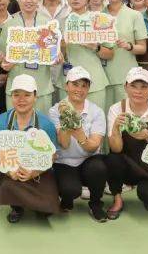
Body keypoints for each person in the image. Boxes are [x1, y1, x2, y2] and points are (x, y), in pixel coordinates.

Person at [104, 66, 148, 219]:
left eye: (143, 87)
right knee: (112, 159)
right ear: (125, 87)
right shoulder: (117, 109)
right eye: (133, 86)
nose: (138, 91)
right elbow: (116, 149)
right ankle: (117, 199)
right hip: (127, 165)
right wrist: (115, 128)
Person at [0, 75, 60, 223]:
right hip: (13, 170)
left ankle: (37, 204)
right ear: (11, 97)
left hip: (38, 171)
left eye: (27, 95)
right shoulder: (2, 120)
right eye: (16, 95)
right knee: (8, 185)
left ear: (35, 97)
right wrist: (9, 171)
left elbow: (53, 155)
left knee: (47, 208)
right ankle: (17, 207)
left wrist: (34, 172)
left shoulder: (45, 124)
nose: (21, 100)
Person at [49, 67, 108, 222]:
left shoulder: (96, 111)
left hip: (89, 159)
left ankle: (96, 204)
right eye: (75, 84)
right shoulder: (55, 111)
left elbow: (93, 146)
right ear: (66, 85)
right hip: (64, 161)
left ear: (88, 88)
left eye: (84, 86)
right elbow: (64, 144)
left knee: (99, 168)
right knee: (70, 190)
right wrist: (66, 123)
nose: (79, 90)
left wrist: (80, 134)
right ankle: (67, 200)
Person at [2, 0, 60, 122]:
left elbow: (55, 53)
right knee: (16, 127)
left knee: (42, 127)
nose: (29, 0)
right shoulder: (9, 24)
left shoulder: (48, 23)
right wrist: (5, 64)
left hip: (42, 87)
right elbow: (3, 56)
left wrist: (57, 58)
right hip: (16, 88)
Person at [62, 0, 113, 109]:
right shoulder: (60, 22)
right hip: (67, 81)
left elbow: (110, 54)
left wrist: (95, 47)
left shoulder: (99, 19)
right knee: (67, 118)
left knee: (96, 119)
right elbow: (57, 55)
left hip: (94, 82)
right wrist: (62, 45)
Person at [103, 0, 148, 112]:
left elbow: (143, 48)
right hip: (103, 77)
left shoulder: (135, 15)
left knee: (125, 116)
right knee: (105, 117)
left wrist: (129, 46)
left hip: (126, 77)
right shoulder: (97, 16)